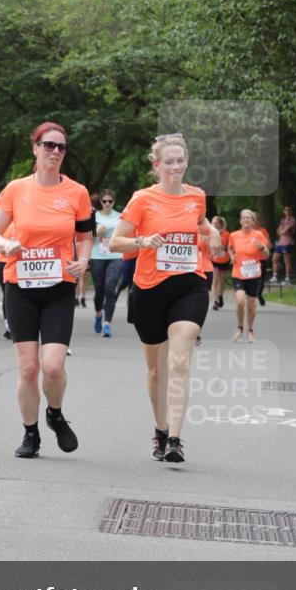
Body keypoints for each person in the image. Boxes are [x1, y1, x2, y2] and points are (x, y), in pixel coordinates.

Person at [109, 134, 221, 465]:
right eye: (169, 162)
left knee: (180, 360)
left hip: (190, 285)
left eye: (180, 161)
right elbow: (116, 242)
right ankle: (160, 429)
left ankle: (175, 439)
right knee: (156, 370)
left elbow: (199, 223)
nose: (175, 167)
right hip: (150, 289)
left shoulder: (197, 196)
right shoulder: (142, 199)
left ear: (186, 162)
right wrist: (143, 241)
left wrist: (211, 233)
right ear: (157, 165)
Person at [0, 122, 93, 458]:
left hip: (59, 285)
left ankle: (55, 414)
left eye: (61, 147)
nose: (55, 152)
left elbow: (85, 236)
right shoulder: (17, 189)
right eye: (48, 145)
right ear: (35, 149)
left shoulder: (77, 192)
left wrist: (84, 260)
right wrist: (8, 243)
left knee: (53, 366)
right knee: (29, 367)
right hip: (20, 286)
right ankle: (30, 434)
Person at [228, 209, 270, 343]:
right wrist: (232, 256)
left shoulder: (258, 235)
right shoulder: (234, 235)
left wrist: (261, 248)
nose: (246, 220)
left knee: (251, 306)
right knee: (240, 300)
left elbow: (266, 255)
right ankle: (239, 328)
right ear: (240, 220)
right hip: (238, 273)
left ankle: (250, 330)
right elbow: (229, 247)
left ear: (253, 221)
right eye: (243, 217)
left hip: (253, 274)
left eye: (248, 218)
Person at [90, 189, 122, 337]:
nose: (107, 204)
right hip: (97, 256)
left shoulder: (120, 217)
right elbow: (87, 237)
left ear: (114, 202)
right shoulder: (94, 217)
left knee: (110, 288)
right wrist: (97, 233)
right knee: (99, 290)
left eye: (110, 201)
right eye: (104, 201)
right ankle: (98, 315)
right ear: (101, 202)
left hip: (115, 255)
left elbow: (124, 234)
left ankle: (107, 323)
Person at [270, 205, 296, 284]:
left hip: (288, 241)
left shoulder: (292, 220)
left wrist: (282, 231)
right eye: (285, 210)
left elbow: (284, 231)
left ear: (291, 211)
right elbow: (279, 231)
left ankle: (287, 278)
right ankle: (275, 276)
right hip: (281, 242)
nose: (287, 212)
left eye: (289, 210)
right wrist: (281, 231)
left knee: (287, 261)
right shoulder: (283, 220)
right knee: (274, 258)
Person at [210, 215, 230, 310]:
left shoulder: (226, 234)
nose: (214, 225)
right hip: (214, 259)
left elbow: (230, 247)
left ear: (220, 224)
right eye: (213, 223)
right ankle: (215, 301)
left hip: (224, 259)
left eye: (216, 223)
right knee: (215, 280)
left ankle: (220, 296)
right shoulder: (210, 233)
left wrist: (223, 247)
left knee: (222, 280)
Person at [254, 214, 271, 307]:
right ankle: (252, 294)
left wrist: (265, 249)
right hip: (251, 260)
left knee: (262, 278)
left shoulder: (263, 231)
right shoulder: (247, 232)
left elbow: (268, 243)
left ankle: (259, 293)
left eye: (256, 220)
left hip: (262, 258)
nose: (255, 222)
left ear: (259, 221)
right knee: (253, 278)